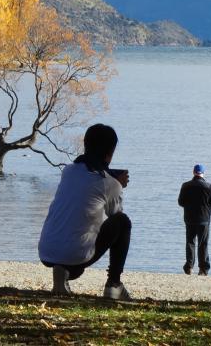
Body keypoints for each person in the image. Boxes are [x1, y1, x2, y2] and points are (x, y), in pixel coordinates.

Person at [38, 124, 133, 300]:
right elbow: (115, 215)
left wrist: (109, 176)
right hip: (75, 255)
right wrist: (117, 184)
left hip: (46, 250)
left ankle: (62, 271)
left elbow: (87, 179)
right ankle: (114, 284)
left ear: (85, 145)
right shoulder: (109, 184)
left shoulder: (68, 171)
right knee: (123, 222)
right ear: (109, 154)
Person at [178, 164, 211, 276]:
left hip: (189, 218)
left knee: (190, 242)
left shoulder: (185, 185)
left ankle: (189, 267)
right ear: (203, 173)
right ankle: (203, 269)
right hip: (204, 219)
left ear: (193, 172)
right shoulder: (208, 186)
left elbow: (180, 202)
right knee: (203, 243)